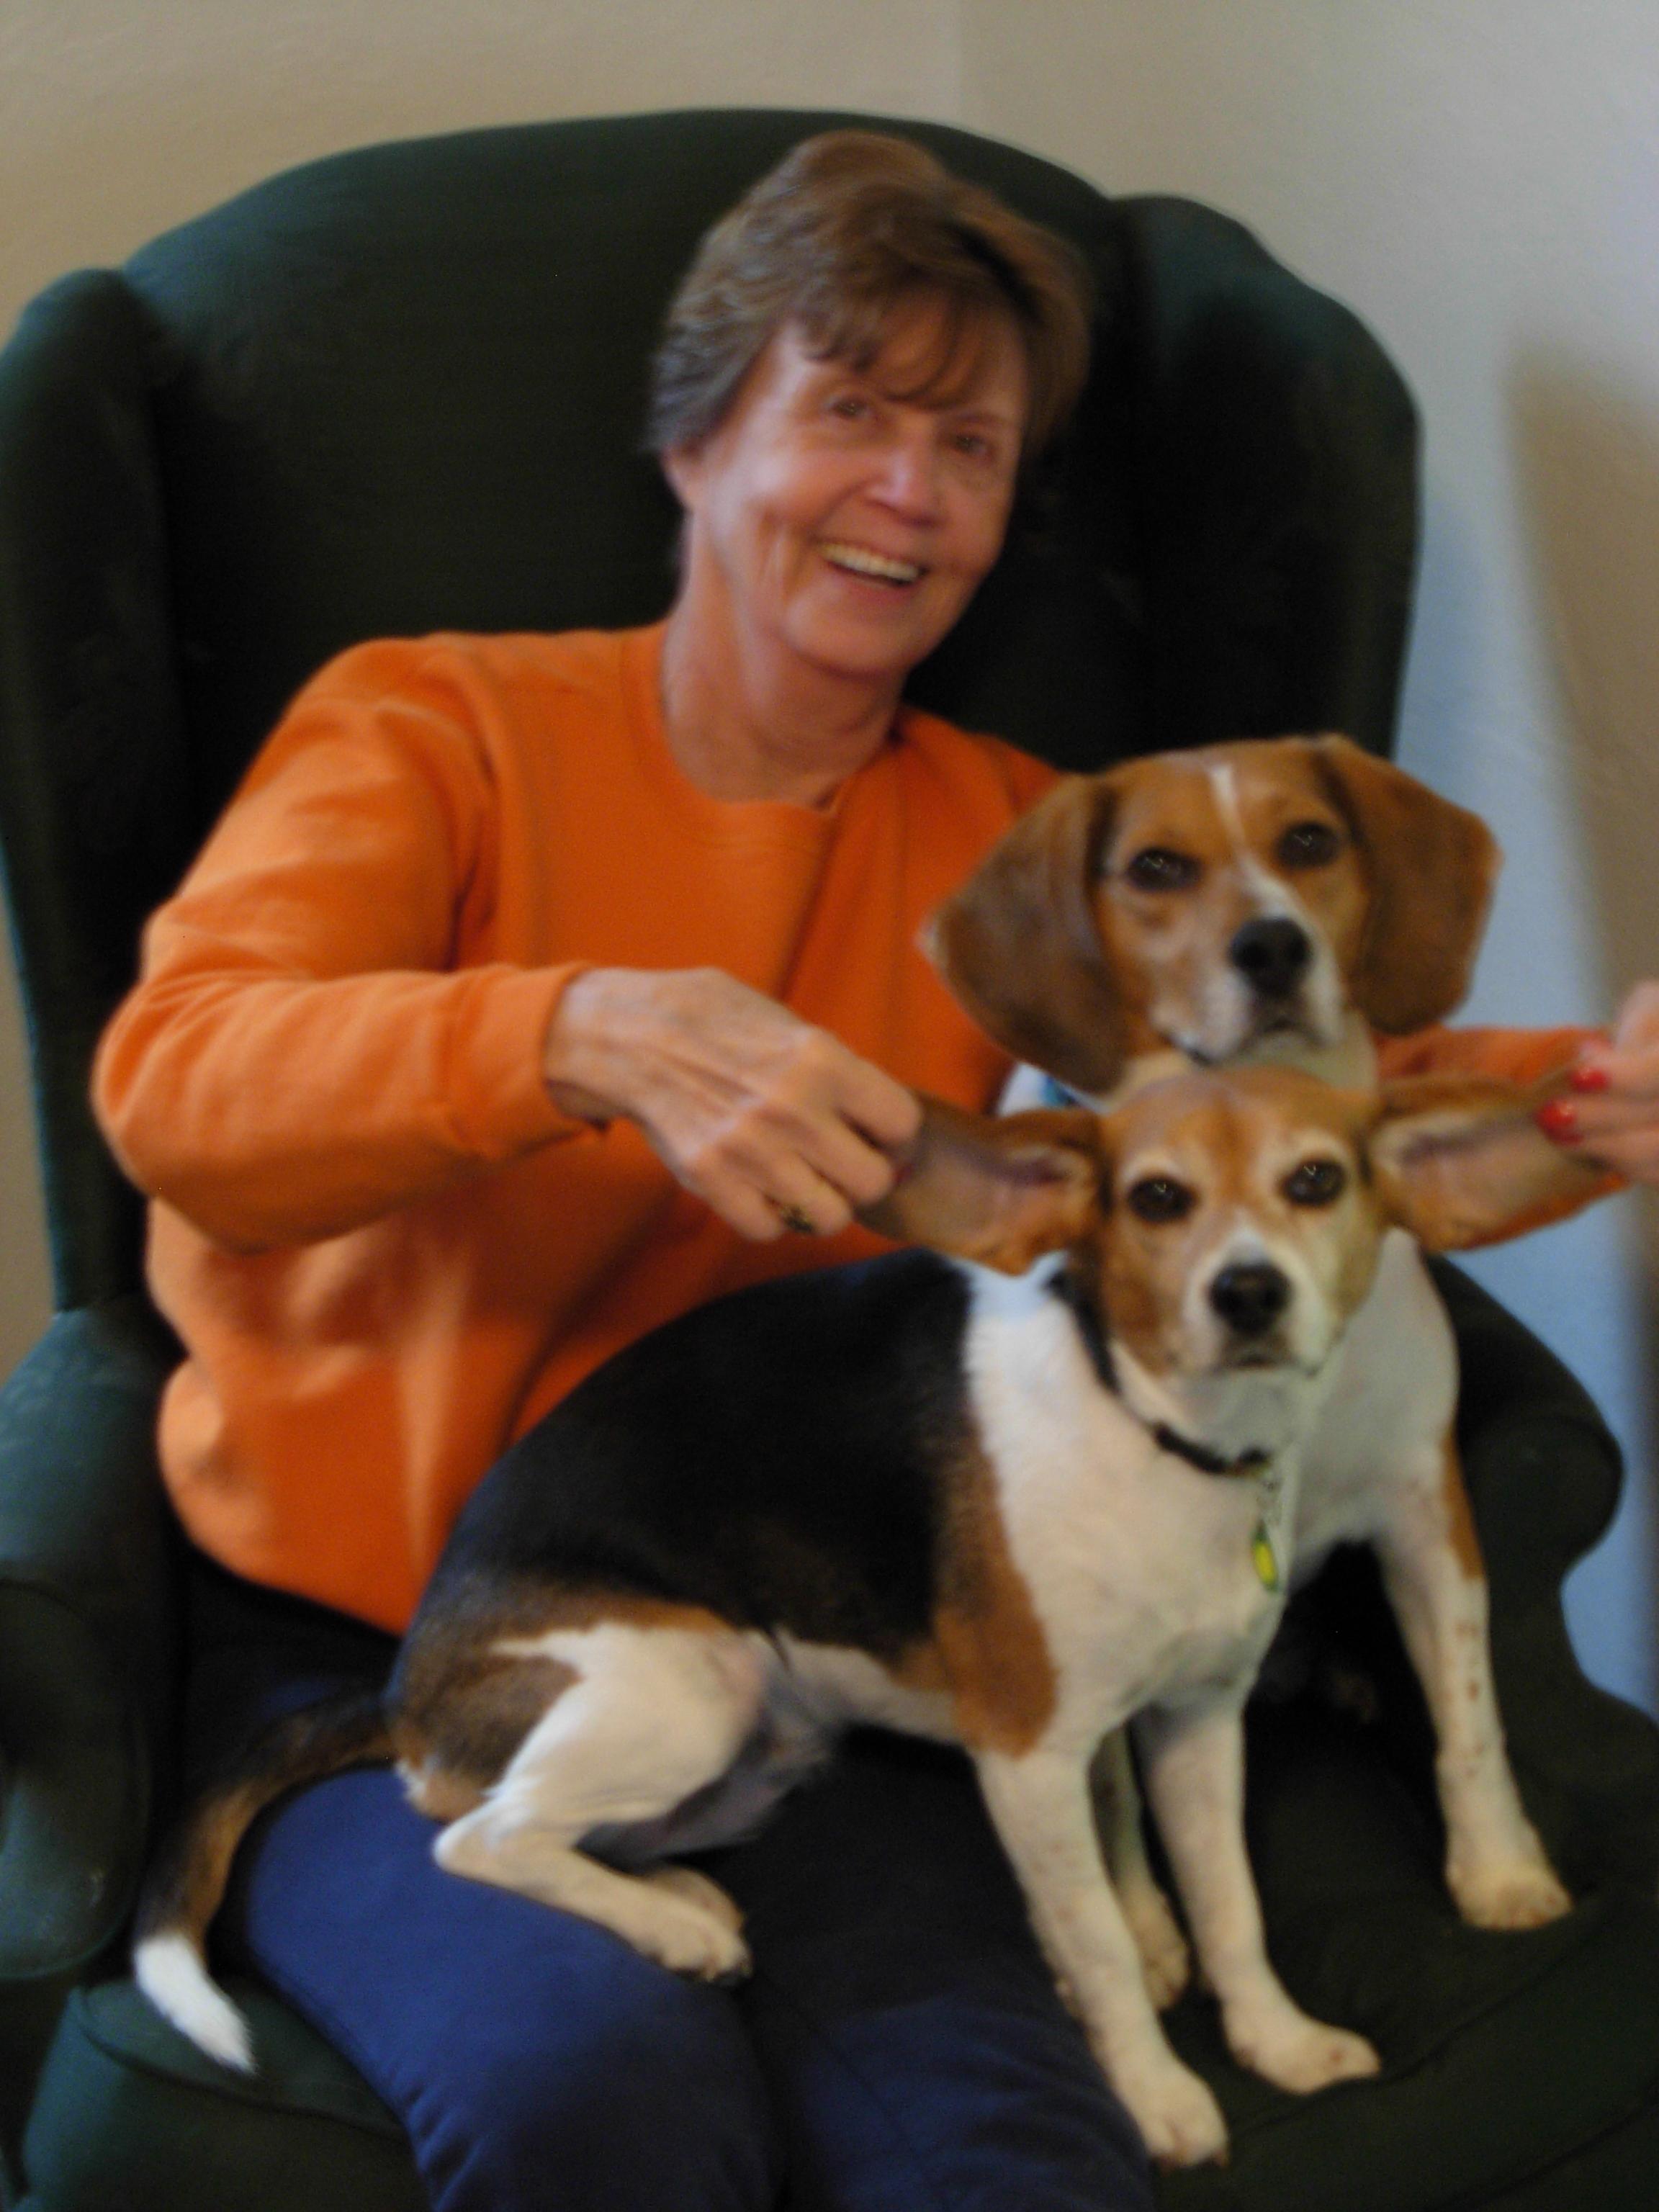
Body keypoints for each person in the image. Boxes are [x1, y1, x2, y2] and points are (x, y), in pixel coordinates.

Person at [92, 127, 1656, 2211]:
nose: (914, 494)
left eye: (978, 448)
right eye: (851, 413)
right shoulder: (429, 726)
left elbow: (1310, 1089)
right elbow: (173, 1081)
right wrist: (574, 1032)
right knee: (594, 2103)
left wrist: (1595, 1085)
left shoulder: (1035, 852)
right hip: (401, 1651)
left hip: (836, 1629)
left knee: (1003, 2162)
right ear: (695, 444)